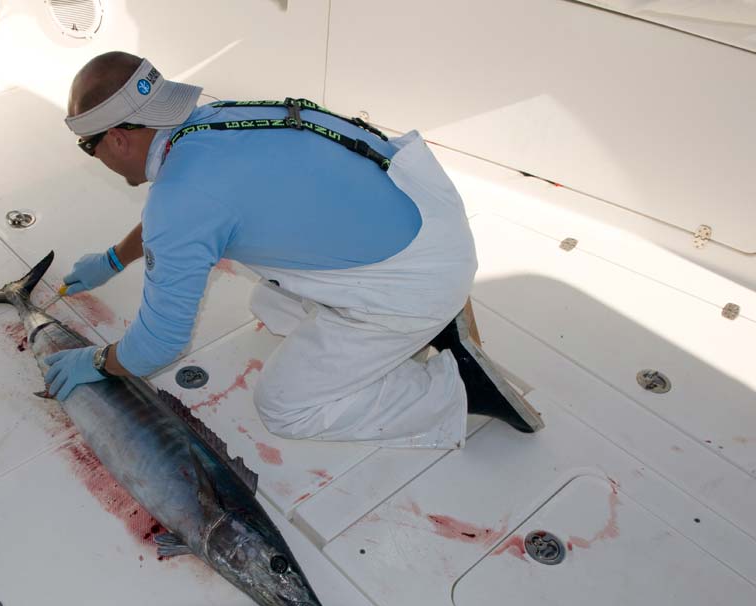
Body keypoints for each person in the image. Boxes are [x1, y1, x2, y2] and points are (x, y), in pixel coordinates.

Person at [44, 51, 543, 447]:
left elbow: (160, 343)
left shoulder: (180, 200)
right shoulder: (212, 119)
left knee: (285, 408)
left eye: (89, 149)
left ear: (115, 140)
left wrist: (96, 362)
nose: (95, 159)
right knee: (270, 305)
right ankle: (418, 324)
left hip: (416, 281)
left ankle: (453, 389)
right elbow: (186, 217)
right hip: (431, 218)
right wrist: (113, 260)